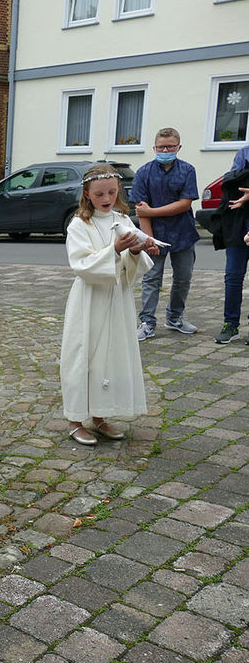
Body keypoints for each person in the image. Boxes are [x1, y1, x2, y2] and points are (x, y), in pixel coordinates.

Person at [61, 164, 157, 445]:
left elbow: (133, 268)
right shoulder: (80, 224)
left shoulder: (123, 220)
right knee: (85, 354)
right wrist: (114, 250)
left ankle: (101, 416)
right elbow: (81, 264)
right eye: (100, 193)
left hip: (117, 297)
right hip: (90, 297)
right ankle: (75, 418)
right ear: (88, 194)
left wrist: (137, 250)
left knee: (111, 355)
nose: (107, 198)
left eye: (112, 192)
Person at [131, 127, 200, 341]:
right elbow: (141, 211)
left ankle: (175, 317)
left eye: (170, 146)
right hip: (154, 234)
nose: (165, 150)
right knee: (151, 279)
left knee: (183, 278)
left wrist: (152, 211)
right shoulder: (143, 172)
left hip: (183, 233)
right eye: (161, 147)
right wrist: (148, 240)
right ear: (154, 148)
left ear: (179, 147)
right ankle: (147, 322)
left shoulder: (188, 170)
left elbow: (184, 204)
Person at [210, 143, 249, 344]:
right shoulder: (244, 151)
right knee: (233, 277)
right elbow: (234, 184)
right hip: (238, 223)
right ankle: (230, 324)